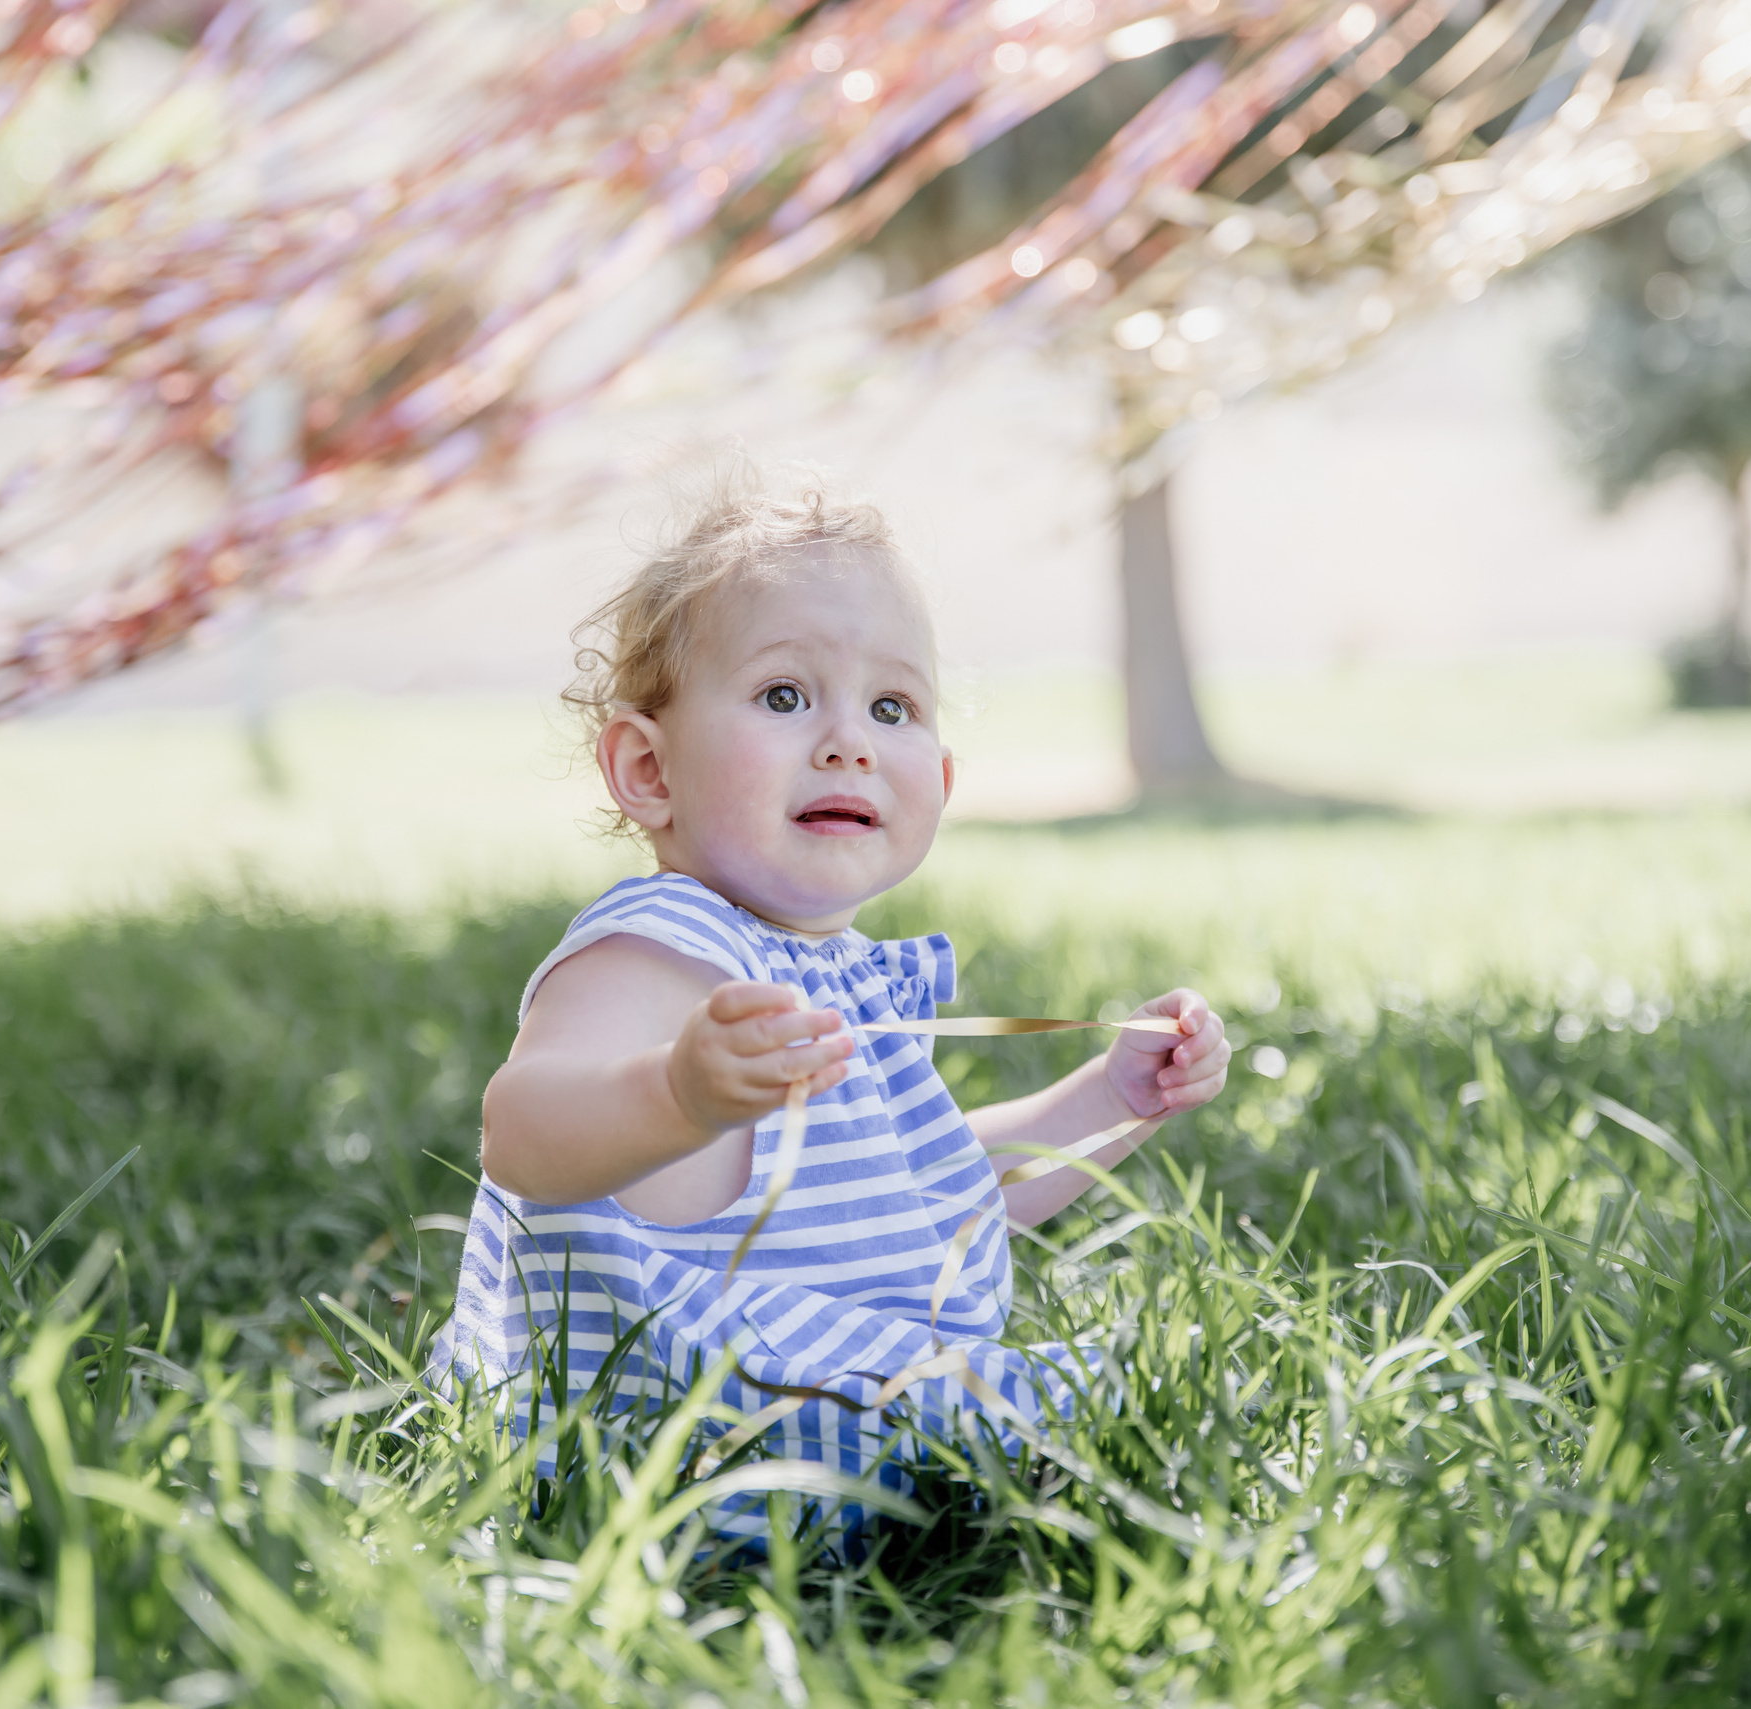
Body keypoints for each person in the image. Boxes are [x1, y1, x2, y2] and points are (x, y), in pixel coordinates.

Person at [434, 468, 1229, 1524]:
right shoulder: (660, 948)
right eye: (782, 695)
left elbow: (926, 1201)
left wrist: (1112, 1099)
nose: (848, 738)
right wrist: (678, 1093)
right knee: (1096, 1404)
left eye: (891, 706)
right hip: (685, 1426)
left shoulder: (843, 974)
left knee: (1118, 1393)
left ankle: (979, 1452)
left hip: (816, 1395)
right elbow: (520, 1131)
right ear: (648, 768)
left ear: (939, 782)